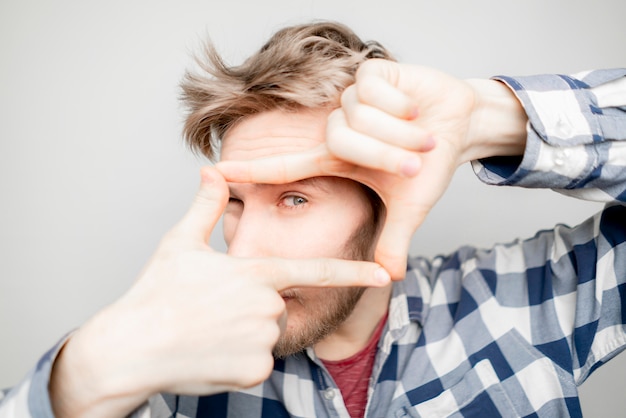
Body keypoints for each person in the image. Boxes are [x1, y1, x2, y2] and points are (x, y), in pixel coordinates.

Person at [1, 21, 625, 418]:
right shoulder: (174, 382)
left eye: (295, 199)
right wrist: (89, 375)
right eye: (236, 203)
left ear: (383, 205)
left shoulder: (534, 300)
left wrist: (491, 118)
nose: (244, 251)